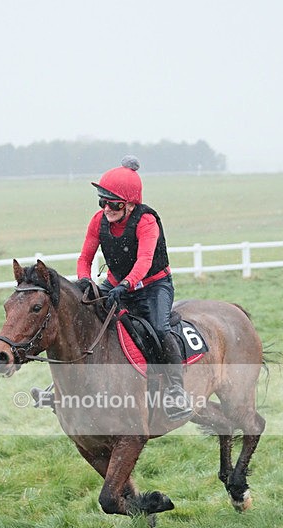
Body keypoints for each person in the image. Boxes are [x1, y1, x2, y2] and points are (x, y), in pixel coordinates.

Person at [76, 156, 193, 421]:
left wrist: (126, 284)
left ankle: (176, 391)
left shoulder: (146, 221)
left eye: (114, 203)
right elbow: (84, 258)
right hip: (117, 284)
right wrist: (85, 281)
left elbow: (145, 261)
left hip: (153, 285)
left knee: (160, 328)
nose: (107, 209)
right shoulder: (98, 221)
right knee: (84, 317)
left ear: (130, 204)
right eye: (102, 202)